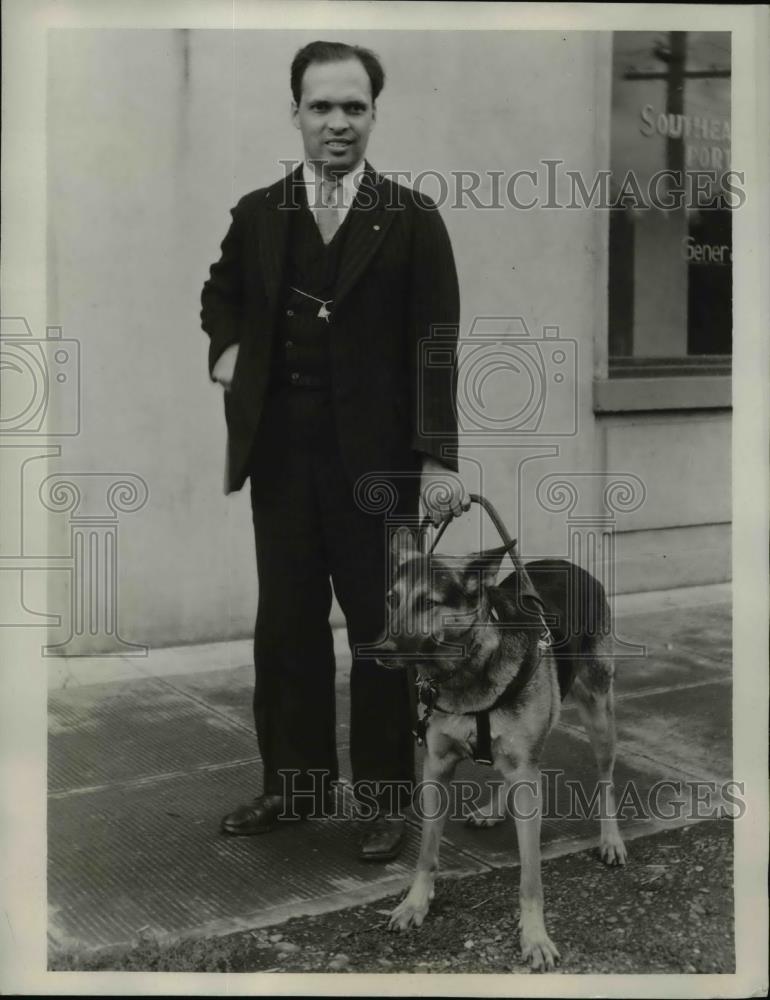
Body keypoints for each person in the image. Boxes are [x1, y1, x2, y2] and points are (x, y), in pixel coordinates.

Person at [200, 40, 464, 862]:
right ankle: (296, 786)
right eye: (322, 107)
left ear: (374, 115)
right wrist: (226, 350)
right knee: (285, 623)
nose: (338, 123)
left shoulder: (412, 218)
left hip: (379, 464)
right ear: (296, 114)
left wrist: (439, 458)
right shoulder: (257, 211)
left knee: (384, 631)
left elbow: (435, 344)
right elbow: (222, 294)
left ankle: (386, 800)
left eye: (354, 107)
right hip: (279, 454)